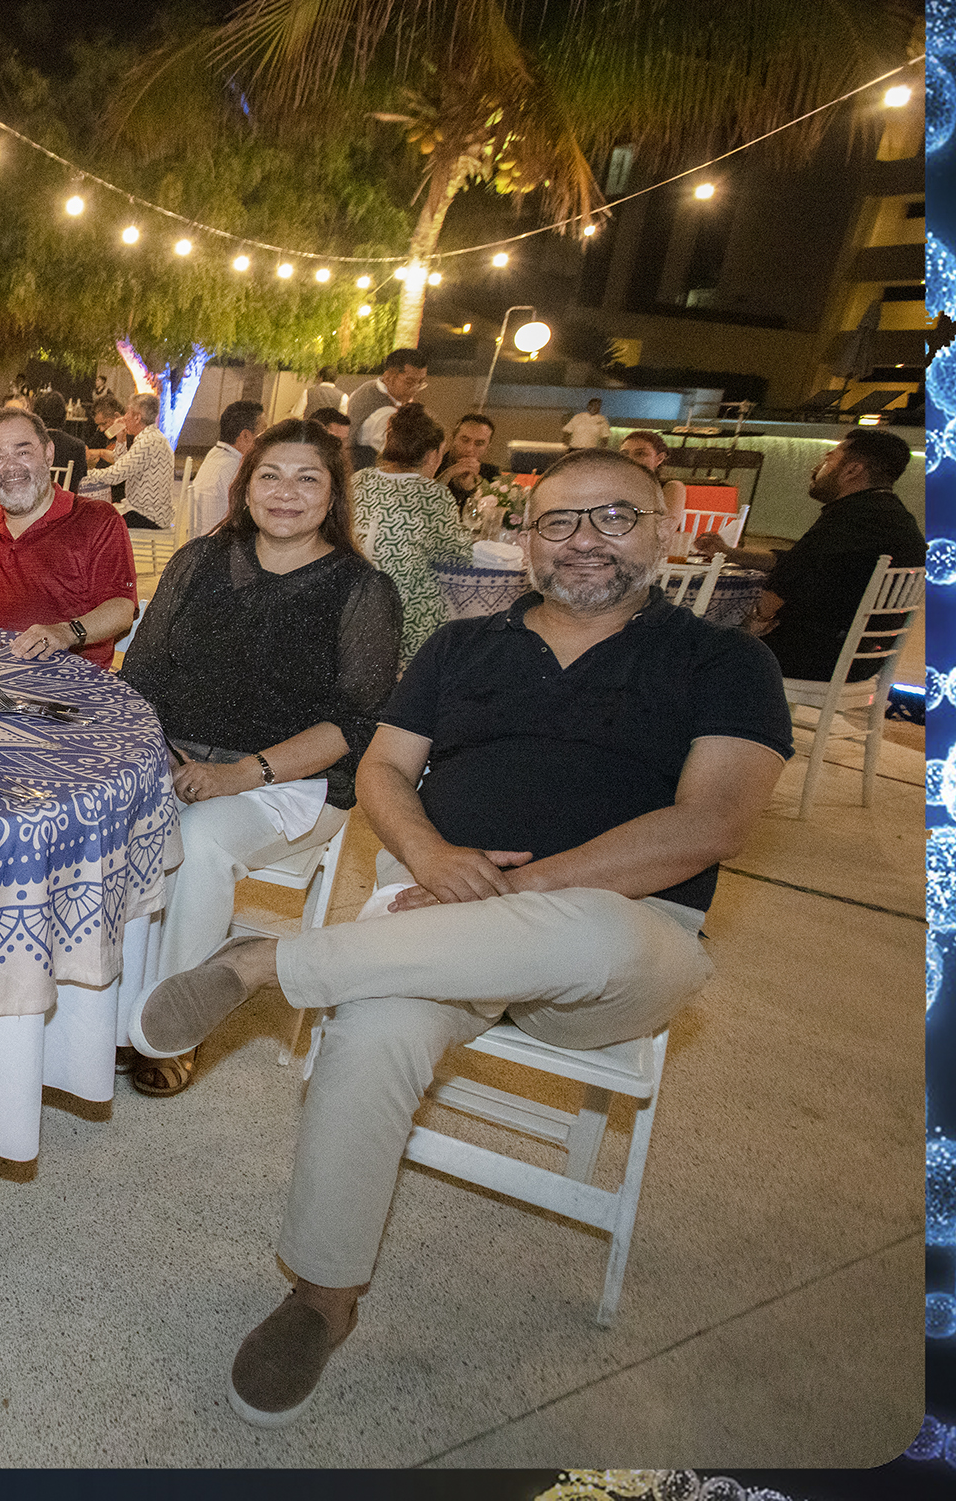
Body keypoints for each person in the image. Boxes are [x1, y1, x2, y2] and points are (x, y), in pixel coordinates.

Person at [131, 447, 790, 1426]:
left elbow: (714, 822)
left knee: (598, 933)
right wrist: (433, 854)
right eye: (559, 521)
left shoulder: (725, 661)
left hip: (616, 937)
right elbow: (385, 770)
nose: (584, 540)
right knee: (372, 1027)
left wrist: (521, 885)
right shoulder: (462, 646)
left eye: (614, 516)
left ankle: (270, 961)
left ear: (664, 530)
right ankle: (322, 1295)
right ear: (527, 541)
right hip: (432, 917)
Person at [117, 420, 400, 1097]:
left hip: (293, 781)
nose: (285, 493)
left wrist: (239, 774)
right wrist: (165, 755)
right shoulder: (199, 561)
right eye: (270, 476)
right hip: (177, 756)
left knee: (199, 840)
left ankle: (171, 1023)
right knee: (93, 822)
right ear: (246, 488)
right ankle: (103, 1007)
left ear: (333, 496)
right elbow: (143, 674)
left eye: (307, 479)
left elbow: (355, 724)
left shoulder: (362, 590)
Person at [697, 429, 924, 679]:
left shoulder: (849, 516)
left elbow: (787, 578)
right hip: (863, 658)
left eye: (829, 459)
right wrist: (730, 553)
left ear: (852, 470)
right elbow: (796, 560)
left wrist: (756, 621)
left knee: (702, 644)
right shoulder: (893, 516)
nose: (817, 468)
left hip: (816, 655)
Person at [0, 405, 138, 665]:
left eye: (23, 452)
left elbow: (121, 608)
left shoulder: (96, 520)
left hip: (66, 682)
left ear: (48, 453)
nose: (11, 467)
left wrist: (66, 632)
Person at [351, 404, 475, 666]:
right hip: (403, 618)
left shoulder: (359, 479)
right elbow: (458, 559)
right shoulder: (434, 495)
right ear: (432, 455)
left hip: (352, 603)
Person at [78, 391, 175, 532]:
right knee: (101, 514)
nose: (124, 417)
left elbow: (115, 475)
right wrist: (121, 439)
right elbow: (120, 464)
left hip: (148, 515)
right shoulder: (151, 437)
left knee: (96, 521)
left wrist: (84, 473)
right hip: (147, 511)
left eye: (128, 412)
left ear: (137, 418)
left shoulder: (148, 442)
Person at [185, 400, 266, 539]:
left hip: (203, 540)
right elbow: (253, 518)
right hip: (220, 545)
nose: (265, 440)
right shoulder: (233, 468)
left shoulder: (215, 454)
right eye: (263, 432)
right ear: (246, 435)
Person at [342, 349, 429, 471]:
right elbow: (400, 462)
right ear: (389, 378)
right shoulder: (385, 414)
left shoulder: (369, 387)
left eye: (421, 382)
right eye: (409, 382)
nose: (415, 389)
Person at [615, 430, 689, 534]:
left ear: (659, 458)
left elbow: (664, 530)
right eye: (624, 454)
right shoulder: (615, 487)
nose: (630, 459)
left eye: (640, 453)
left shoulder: (671, 487)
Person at [438, 412, 503, 515]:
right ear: (453, 439)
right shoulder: (434, 465)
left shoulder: (491, 474)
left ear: (487, 448)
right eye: (465, 440)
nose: (470, 449)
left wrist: (474, 489)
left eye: (479, 444)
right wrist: (448, 475)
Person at [32, 390, 90, 494]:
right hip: (64, 502)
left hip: (31, 501)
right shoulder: (77, 446)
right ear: (63, 415)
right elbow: (80, 483)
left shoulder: (27, 445)